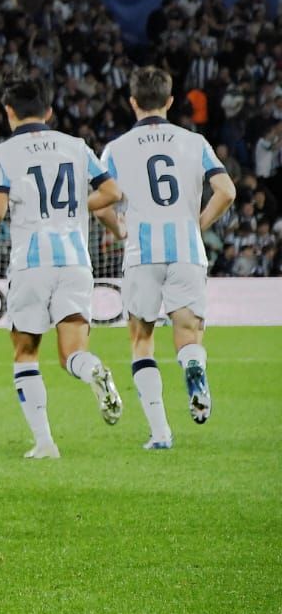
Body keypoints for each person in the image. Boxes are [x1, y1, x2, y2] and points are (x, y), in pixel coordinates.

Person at [0, 77, 125, 459]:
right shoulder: (76, 146)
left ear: (8, 111)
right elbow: (112, 192)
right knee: (71, 353)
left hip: (32, 262)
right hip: (76, 259)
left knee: (26, 351)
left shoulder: (2, 153)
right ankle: (91, 367)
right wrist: (76, 206)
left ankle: (45, 443)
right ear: (49, 111)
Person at [99, 66, 234, 447]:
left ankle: (160, 433)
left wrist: (118, 229)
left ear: (132, 102)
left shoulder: (117, 148)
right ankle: (194, 369)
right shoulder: (194, 141)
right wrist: (199, 224)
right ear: (171, 101)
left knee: (141, 340)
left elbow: (99, 203)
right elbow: (226, 190)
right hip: (186, 248)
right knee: (189, 333)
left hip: (142, 252)